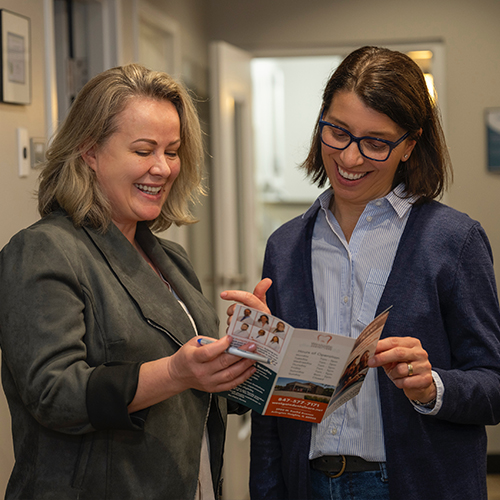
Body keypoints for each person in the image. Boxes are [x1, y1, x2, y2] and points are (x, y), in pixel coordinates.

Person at [221, 46, 500, 500]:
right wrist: (253, 359)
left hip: (414, 484)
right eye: (338, 133)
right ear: (321, 124)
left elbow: (493, 382)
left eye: (375, 142)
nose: (350, 159)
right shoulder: (286, 246)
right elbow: (272, 414)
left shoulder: (454, 240)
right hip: (308, 482)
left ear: (409, 144)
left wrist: (434, 387)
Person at [0, 64, 257, 500]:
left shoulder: (170, 257)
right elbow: (54, 393)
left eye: (172, 151)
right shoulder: (43, 250)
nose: (162, 168)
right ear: (89, 152)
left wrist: (254, 344)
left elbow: (209, 389)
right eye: (144, 150)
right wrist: (175, 371)